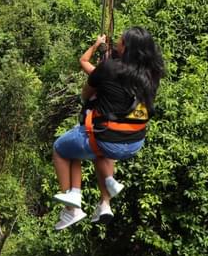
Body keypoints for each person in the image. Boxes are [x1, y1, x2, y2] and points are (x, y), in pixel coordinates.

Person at [51, 27, 164, 230]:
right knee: (96, 146)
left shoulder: (109, 68)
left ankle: (71, 209)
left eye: (120, 40)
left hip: (107, 140)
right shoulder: (152, 74)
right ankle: (105, 203)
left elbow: (85, 95)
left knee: (61, 148)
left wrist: (100, 55)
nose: (117, 41)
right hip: (135, 142)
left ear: (125, 47)